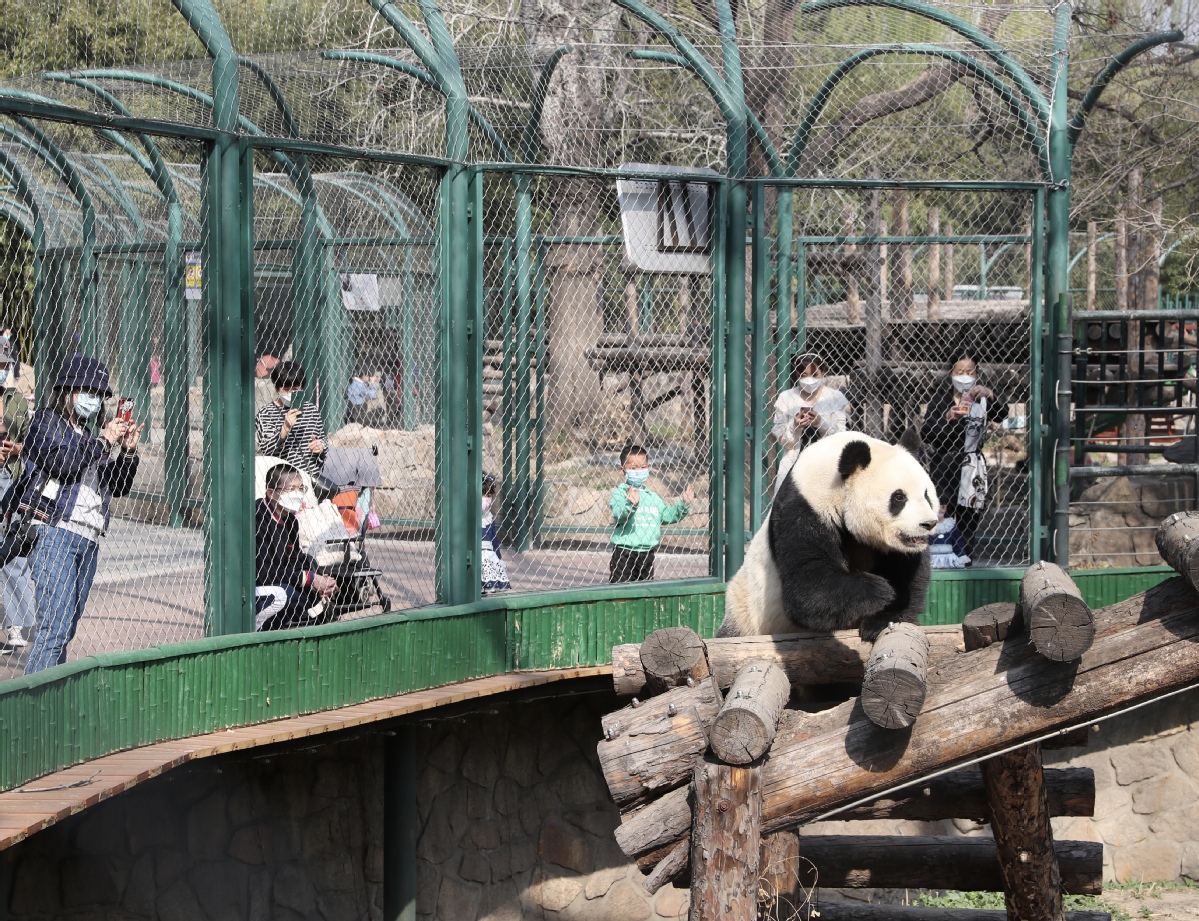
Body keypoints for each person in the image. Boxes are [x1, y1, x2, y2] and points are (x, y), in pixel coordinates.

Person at [20, 355, 142, 674]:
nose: (94, 398)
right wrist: (104, 441)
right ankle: (33, 712)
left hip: (88, 539)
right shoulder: (46, 423)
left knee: (65, 631)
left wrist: (127, 451)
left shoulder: (89, 437)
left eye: (99, 393)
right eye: (87, 390)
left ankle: (51, 707)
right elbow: (64, 464)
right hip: (55, 531)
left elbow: (116, 485)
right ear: (67, 391)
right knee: (54, 630)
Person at [920, 352, 999, 558]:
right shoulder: (940, 399)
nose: (964, 376)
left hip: (971, 464)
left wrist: (990, 394)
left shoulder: (981, 401)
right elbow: (927, 432)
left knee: (969, 515)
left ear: (976, 374)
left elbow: (1001, 413)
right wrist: (948, 418)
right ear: (951, 374)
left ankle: (965, 555)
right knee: (942, 513)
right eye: (959, 371)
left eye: (969, 372)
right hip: (944, 463)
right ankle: (938, 556)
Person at [255, 463, 338, 631]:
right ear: (271, 493)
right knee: (288, 594)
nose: (298, 494)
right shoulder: (257, 518)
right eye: (290, 489)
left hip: (280, 581)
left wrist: (320, 579)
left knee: (325, 591)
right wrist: (309, 579)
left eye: (301, 488)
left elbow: (296, 558)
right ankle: (259, 631)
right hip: (256, 587)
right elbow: (264, 572)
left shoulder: (291, 520)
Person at [609, 444, 694, 583]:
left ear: (648, 467)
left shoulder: (653, 497)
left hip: (647, 553)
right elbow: (620, 514)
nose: (639, 471)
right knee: (620, 594)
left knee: (645, 593)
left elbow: (666, 515)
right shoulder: (620, 493)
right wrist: (631, 505)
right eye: (633, 468)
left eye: (643, 467)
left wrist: (683, 504)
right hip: (624, 553)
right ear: (622, 470)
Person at [771, 353, 850, 495]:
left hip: (827, 462)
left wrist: (820, 423)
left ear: (823, 372)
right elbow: (782, 438)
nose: (809, 380)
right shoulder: (786, 398)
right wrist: (795, 425)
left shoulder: (834, 398)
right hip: (794, 462)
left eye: (815, 374)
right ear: (797, 374)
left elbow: (841, 436)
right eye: (804, 374)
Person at [0, 341, 34, 654]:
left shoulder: (15, 400)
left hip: (7, 478)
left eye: (3, 366)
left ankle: (17, 626)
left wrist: (15, 447)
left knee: (10, 551)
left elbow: (29, 440)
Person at [254, 360, 331, 491]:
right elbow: (267, 450)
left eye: (295, 390)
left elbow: (324, 441)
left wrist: (320, 446)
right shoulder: (266, 413)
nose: (290, 394)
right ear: (277, 388)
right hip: (283, 482)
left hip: (310, 479)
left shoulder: (311, 410)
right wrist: (284, 429)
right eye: (286, 389)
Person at [481, 473, 511, 594]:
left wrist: (498, 558)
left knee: (490, 591)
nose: (486, 500)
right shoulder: (468, 517)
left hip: (489, 557)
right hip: (475, 558)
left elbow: (494, 541)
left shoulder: (489, 518)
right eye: (483, 495)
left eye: (489, 496)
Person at [929, 504, 971, 569]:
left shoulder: (950, 524)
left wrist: (961, 556)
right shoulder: (927, 525)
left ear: (946, 508)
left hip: (949, 559)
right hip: (932, 560)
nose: (939, 510)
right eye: (936, 507)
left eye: (942, 507)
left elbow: (957, 542)